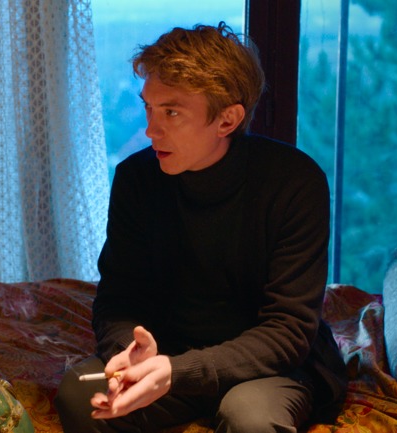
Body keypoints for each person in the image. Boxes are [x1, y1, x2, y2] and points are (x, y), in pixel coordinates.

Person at [54, 22, 347, 433]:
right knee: (80, 394)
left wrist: (177, 372)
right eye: (149, 108)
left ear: (227, 120)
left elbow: (288, 331)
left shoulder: (294, 182)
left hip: (264, 366)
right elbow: (119, 297)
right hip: (168, 352)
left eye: (171, 112)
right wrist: (129, 352)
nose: (151, 130)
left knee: (250, 419)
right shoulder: (137, 179)